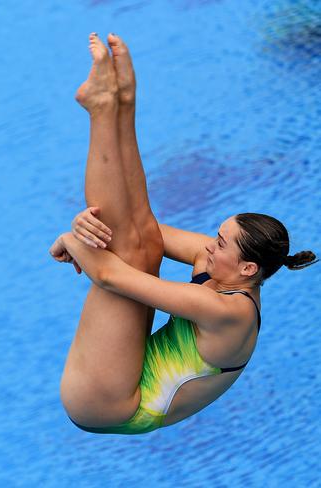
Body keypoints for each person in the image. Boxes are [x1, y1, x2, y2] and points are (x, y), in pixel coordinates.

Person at [49, 32, 318, 435]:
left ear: (247, 268)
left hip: (109, 404)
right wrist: (79, 226)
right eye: (216, 234)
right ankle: (120, 103)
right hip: (127, 371)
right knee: (143, 241)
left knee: (130, 254)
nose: (209, 245)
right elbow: (145, 226)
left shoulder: (229, 313)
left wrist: (71, 239)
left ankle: (102, 110)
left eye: (220, 242)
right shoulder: (224, 266)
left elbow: (108, 274)